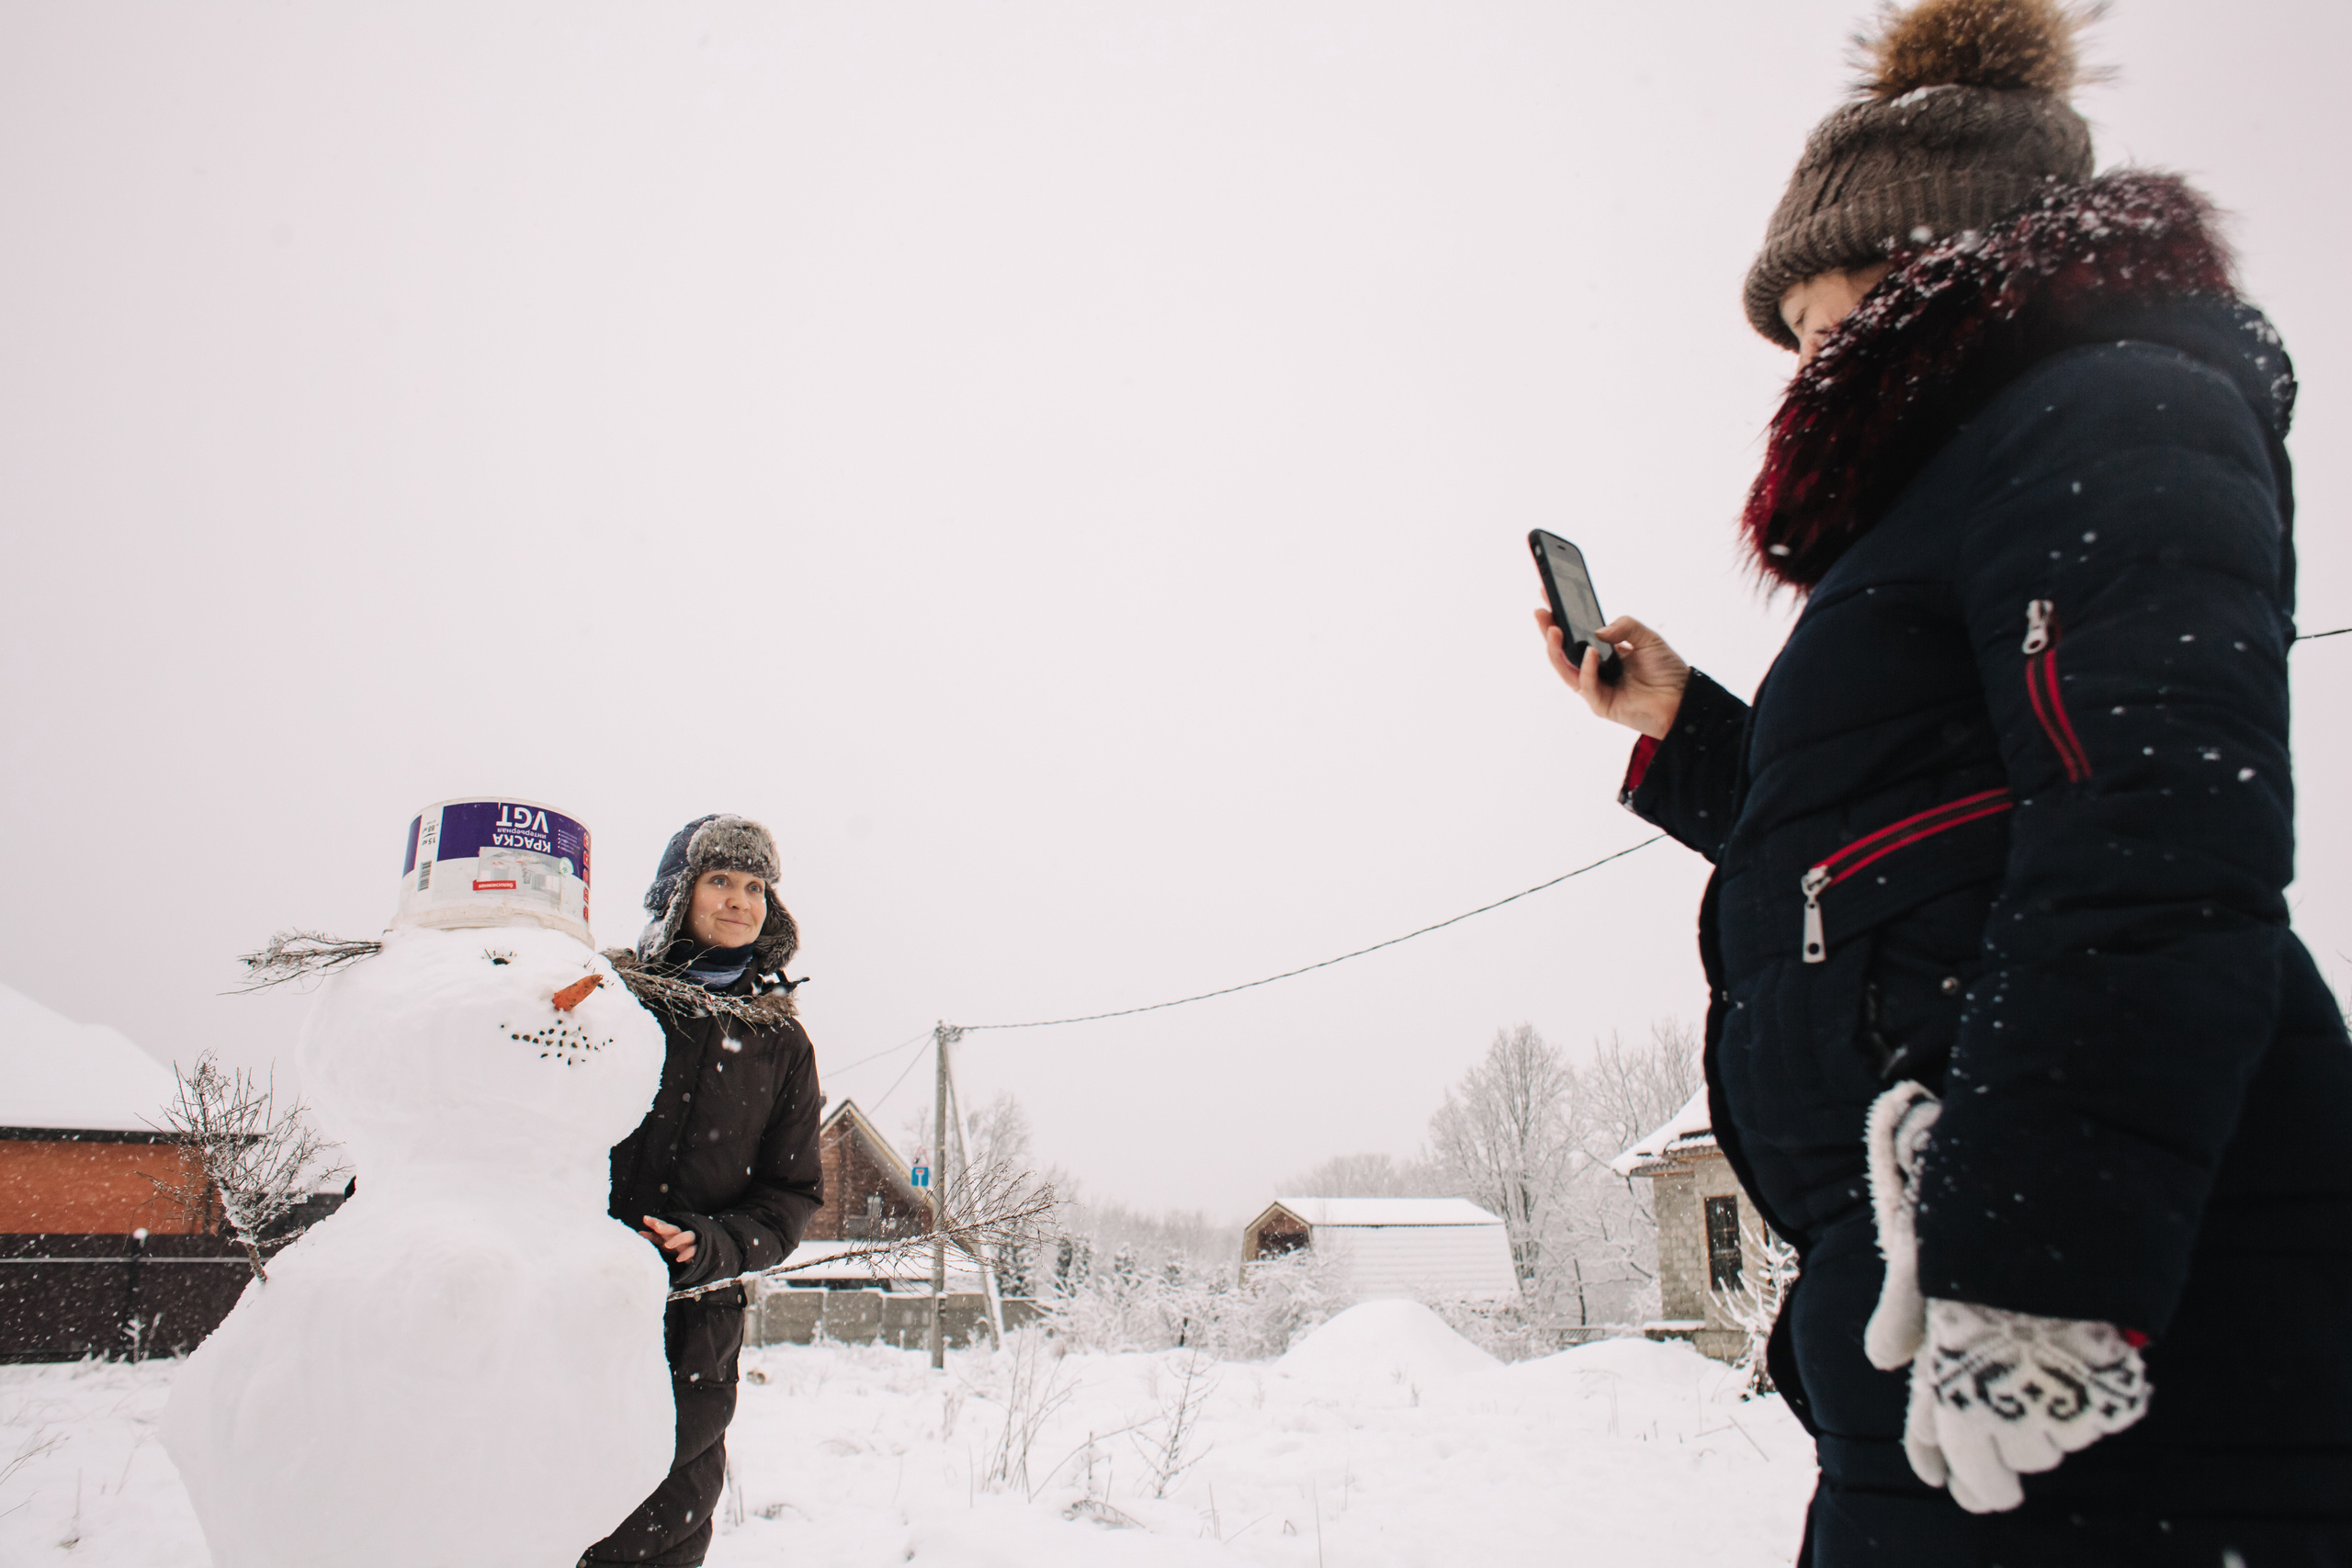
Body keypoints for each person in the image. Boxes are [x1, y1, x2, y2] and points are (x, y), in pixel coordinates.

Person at [1540, 2, 2352, 1562]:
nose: (1800, 354)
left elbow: (2156, 835)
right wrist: (1691, 728)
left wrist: (2041, 1279)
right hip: (1950, 1317)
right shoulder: (1951, 500)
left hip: (2104, 1355)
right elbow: (1903, 859)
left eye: (1815, 308)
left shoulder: (2106, 410)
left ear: (1931, 256)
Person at [579, 814, 822, 1568]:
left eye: (756, 886)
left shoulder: (781, 1043)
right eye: (720, 880)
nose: (741, 901)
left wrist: (713, 1244)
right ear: (678, 893)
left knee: (661, 1527)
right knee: (548, 1502)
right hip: (575, 1296)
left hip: (695, 1325)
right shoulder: (611, 1001)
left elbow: (791, 1197)